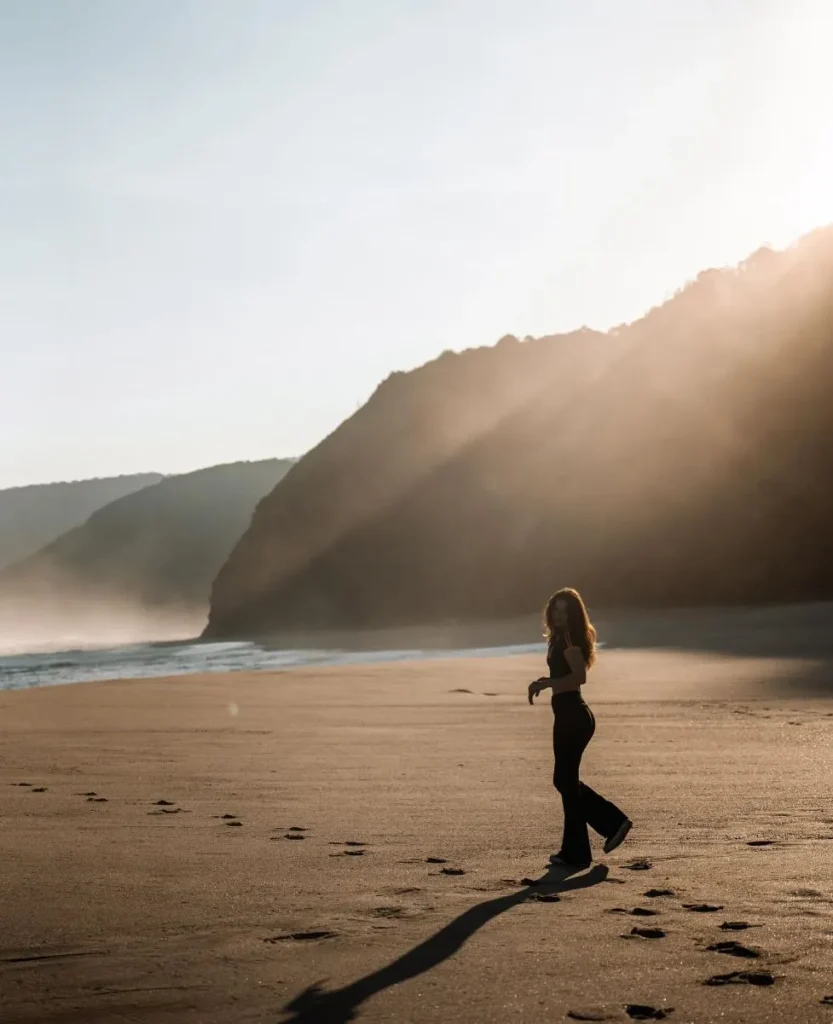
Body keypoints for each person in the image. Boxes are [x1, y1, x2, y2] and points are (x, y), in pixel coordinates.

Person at [528, 587, 632, 869]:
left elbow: (578, 678)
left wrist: (545, 683)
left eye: (565, 611)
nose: (559, 616)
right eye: (555, 610)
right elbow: (566, 676)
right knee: (565, 781)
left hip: (574, 715)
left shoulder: (570, 638)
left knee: (565, 781)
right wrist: (547, 681)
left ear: (573, 615)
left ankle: (599, 833)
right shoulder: (560, 638)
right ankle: (591, 841)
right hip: (569, 715)